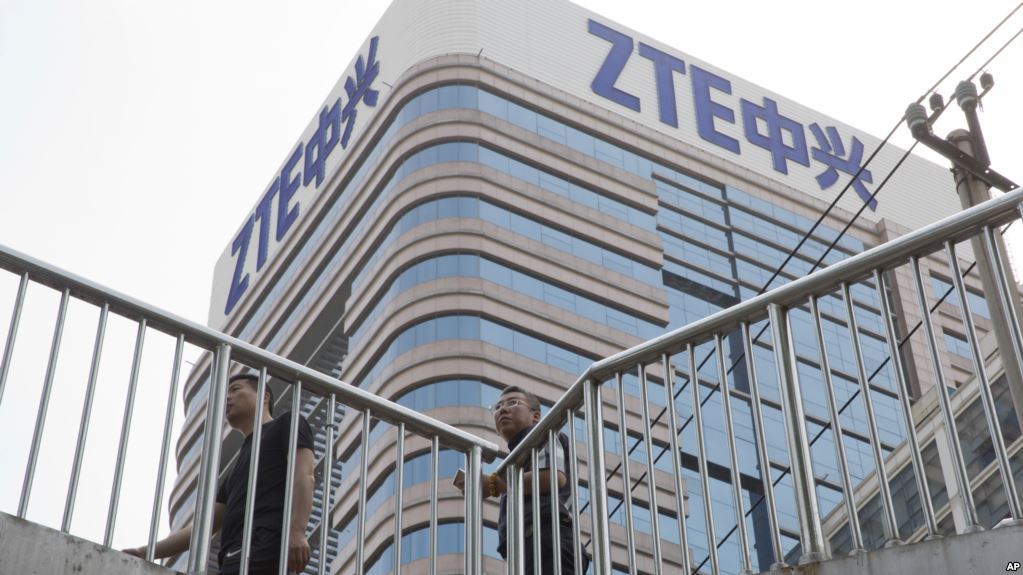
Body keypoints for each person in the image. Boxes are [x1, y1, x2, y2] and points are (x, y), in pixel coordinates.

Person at [124, 373, 316, 575]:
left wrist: (297, 532)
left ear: (264, 397)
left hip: (264, 542)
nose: (227, 398)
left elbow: (305, 475)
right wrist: (146, 551)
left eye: (235, 390)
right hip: (234, 554)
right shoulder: (237, 467)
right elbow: (201, 528)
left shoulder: (287, 423)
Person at [456, 385, 589, 574]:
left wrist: (493, 484)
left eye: (513, 402)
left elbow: (553, 477)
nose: (503, 409)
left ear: (535, 416)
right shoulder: (515, 461)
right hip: (529, 548)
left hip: (548, 540)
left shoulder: (542, 434)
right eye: (498, 406)